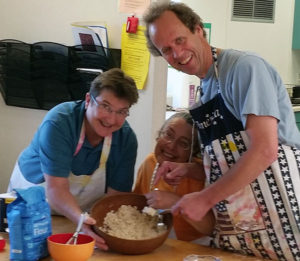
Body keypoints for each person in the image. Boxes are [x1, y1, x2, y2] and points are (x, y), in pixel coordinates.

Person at [143, 2, 300, 260]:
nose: (178, 54)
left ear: (199, 30)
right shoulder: (206, 91)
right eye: (167, 50)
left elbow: (265, 150)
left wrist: (204, 199)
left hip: (284, 221)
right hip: (244, 232)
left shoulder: (243, 68)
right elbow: (229, 161)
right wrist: (189, 170)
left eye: (180, 40)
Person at [7, 68, 139, 250]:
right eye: (105, 106)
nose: (111, 119)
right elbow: (56, 188)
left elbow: (114, 200)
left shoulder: (126, 140)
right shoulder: (60, 122)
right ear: (87, 101)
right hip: (32, 204)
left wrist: (96, 225)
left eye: (121, 112)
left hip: (79, 216)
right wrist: (80, 219)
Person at [133, 112, 214, 243]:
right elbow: (137, 206)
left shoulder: (203, 173)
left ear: (193, 152)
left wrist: (175, 202)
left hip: (194, 248)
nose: (171, 146)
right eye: (168, 135)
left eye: (183, 143)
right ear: (159, 134)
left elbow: (210, 228)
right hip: (154, 243)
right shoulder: (149, 163)